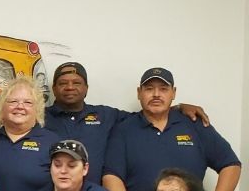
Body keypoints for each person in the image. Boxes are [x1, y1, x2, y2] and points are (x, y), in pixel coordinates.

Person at [103, 67, 241, 191]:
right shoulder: (123, 129)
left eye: (163, 89)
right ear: (139, 93)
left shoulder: (194, 123)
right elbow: (112, 175)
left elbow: (230, 163)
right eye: (149, 89)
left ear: (173, 93)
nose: (156, 94)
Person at [45, 62, 209, 184]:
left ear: (87, 88)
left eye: (76, 82)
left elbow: (147, 115)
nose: (69, 87)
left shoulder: (105, 115)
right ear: (53, 89)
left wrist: (178, 108)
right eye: (63, 83)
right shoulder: (39, 118)